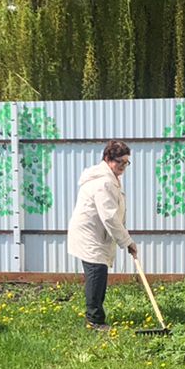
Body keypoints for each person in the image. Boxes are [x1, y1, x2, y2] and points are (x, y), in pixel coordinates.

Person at [66, 141, 137, 329]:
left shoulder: (110, 178)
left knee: (98, 274)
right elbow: (110, 218)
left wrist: (125, 239)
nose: (122, 167)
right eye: (119, 162)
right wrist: (127, 241)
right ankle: (95, 320)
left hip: (96, 233)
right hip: (89, 235)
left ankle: (94, 317)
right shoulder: (103, 182)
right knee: (97, 275)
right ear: (107, 158)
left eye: (126, 163)